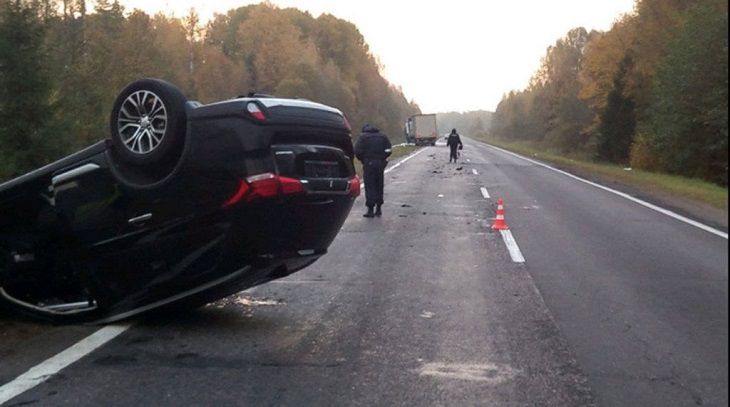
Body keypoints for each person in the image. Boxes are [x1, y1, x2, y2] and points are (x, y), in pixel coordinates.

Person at [355, 124, 392, 218]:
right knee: (379, 184)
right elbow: (388, 150)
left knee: (370, 185)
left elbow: (357, 151)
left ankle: (370, 210)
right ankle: (379, 208)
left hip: (369, 163)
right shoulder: (383, 136)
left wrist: (363, 160)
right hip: (380, 163)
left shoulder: (363, 137)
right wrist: (383, 159)